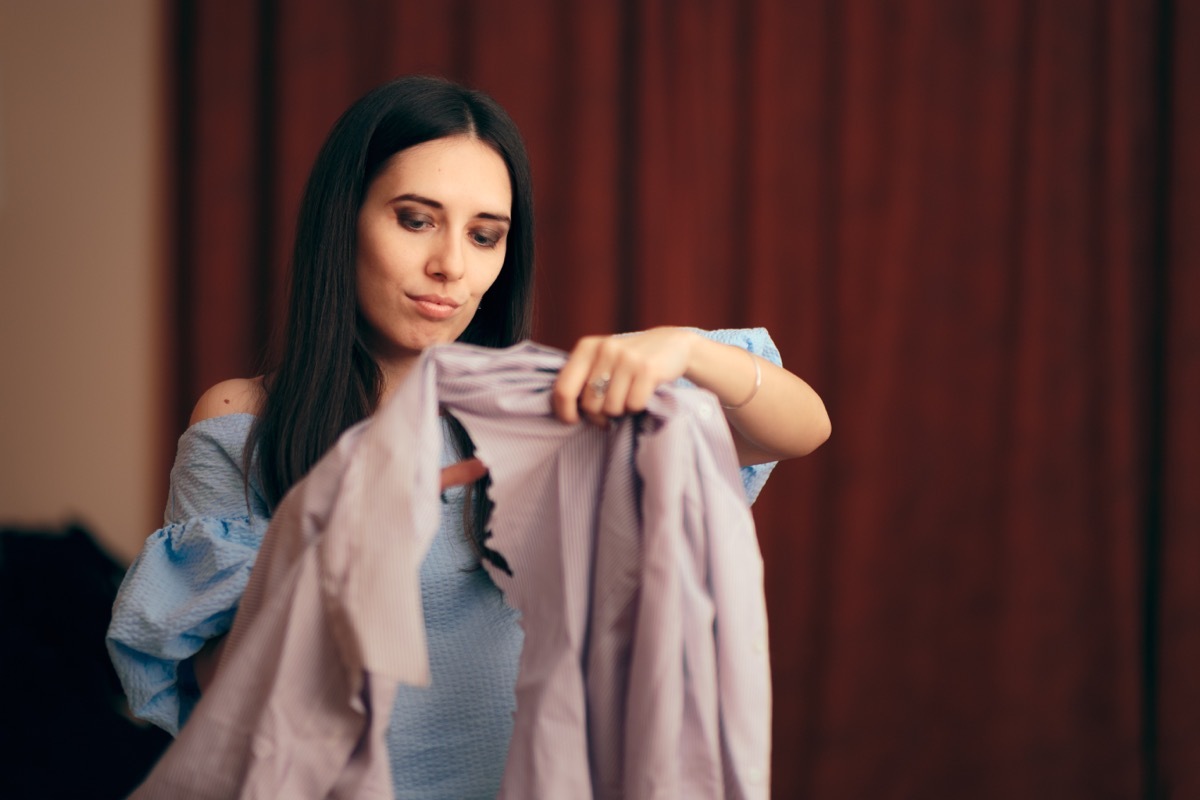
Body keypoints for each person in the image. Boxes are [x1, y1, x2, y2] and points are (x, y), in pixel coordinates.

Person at [107, 75, 831, 798]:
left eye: (485, 235)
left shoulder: (553, 414)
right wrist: (342, 540)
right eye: (416, 220)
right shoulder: (245, 424)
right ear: (345, 218)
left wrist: (686, 350)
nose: (451, 265)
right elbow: (218, 696)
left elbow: (802, 428)